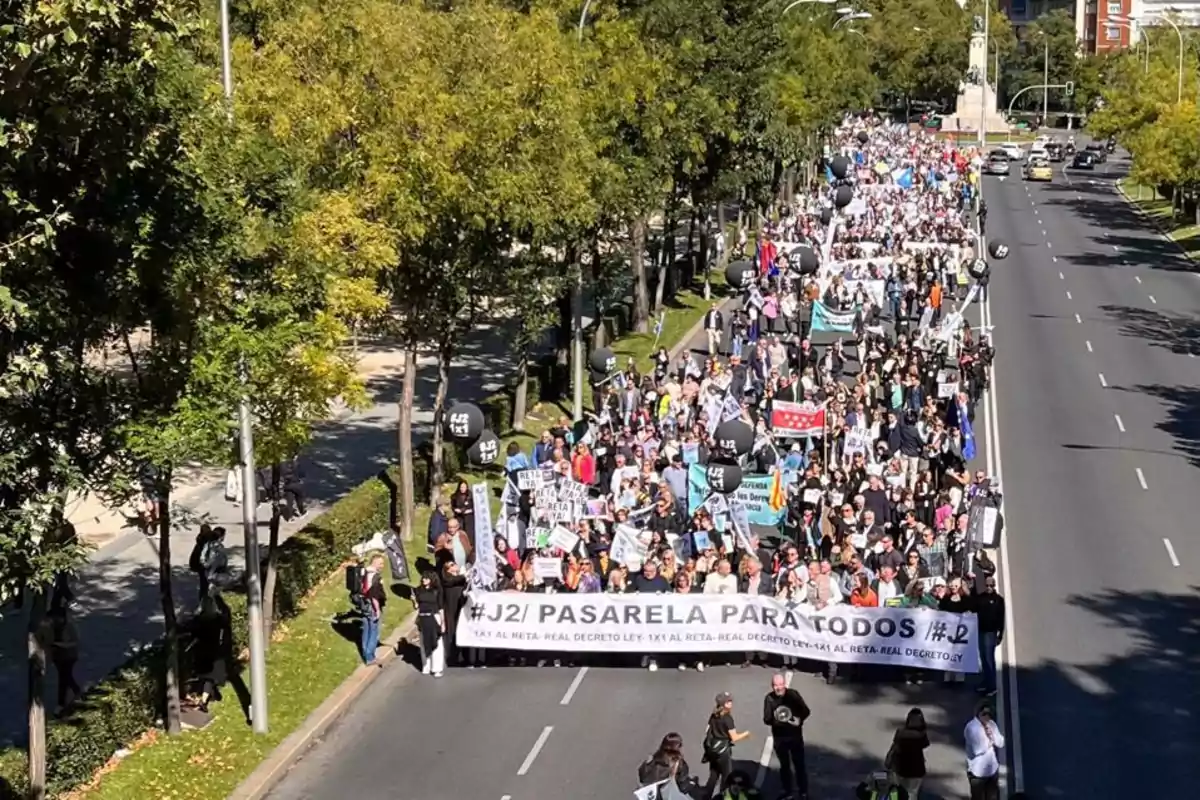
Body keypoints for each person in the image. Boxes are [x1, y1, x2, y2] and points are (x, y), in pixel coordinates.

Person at [762, 673, 811, 800]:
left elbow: (806, 710)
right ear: (772, 686)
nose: (778, 688)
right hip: (780, 738)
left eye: (780, 684)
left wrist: (799, 720)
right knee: (784, 766)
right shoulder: (769, 699)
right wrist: (776, 718)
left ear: (784, 684)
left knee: (799, 765)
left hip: (795, 737)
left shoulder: (793, 695)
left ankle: (803, 791)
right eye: (775, 685)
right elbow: (766, 719)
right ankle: (787, 791)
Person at [703, 692, 751, 796]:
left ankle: (706, 797)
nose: (731, 703)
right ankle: (724, 796)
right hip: (723, 751)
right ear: (723, 704)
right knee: (727, 777)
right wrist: (746, 734)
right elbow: (734, 737)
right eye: (728, 702)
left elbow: (707, 730)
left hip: (713, 749)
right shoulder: (727, 718)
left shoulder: (714, 715)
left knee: (714, 774)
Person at [44, 605, 81, 712]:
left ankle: (61, 703)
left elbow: (75, 642)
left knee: (63, 678)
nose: (51, 620)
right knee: (65, 677)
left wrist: (59, 644)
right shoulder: (52, 627)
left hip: (69, 656)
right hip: (58, 657)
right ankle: (76, 692)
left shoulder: (70, 627)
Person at [964, 701, 1004, 800]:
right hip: (977, 773)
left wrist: (993, 736)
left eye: (989, 715)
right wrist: (989, 742)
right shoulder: (971, 728)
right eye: (984, 714)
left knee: (993, 797)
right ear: (978, 713)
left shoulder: (991, 724)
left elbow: (1001, 743)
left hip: (992, 770)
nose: (987, 717)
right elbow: (977, 750)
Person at [886, 707, 929, 797]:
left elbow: (894, 745)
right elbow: (926, 744)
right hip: (916, 770)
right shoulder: (921, 735)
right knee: (912, 793)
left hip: (900, 768)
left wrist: (889, 759)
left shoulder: (900, 732)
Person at [413, 569, 445, 677]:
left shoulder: (437, 590)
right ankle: (426, 665)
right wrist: (414, 601)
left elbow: (440, 607)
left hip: (434, 617)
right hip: (422, 617)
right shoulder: (418, 590)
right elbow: (416, 607)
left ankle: (436, 668)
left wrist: (443, 622)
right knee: (423, 643)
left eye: (426, 578)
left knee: (436, 643)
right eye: (423, 578)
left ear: (431, 579)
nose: (423, 580)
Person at [360, 554, 388, 667]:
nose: (382, 566)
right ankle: (370, 657)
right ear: (375, 562)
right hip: (372, 606)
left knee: (366, 630)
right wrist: (377, 610)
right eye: (380, 563)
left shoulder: (363, 572)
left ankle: (365, 654)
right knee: (373, 631)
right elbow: (374, 596)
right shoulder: (375, 577)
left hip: (364, 605)